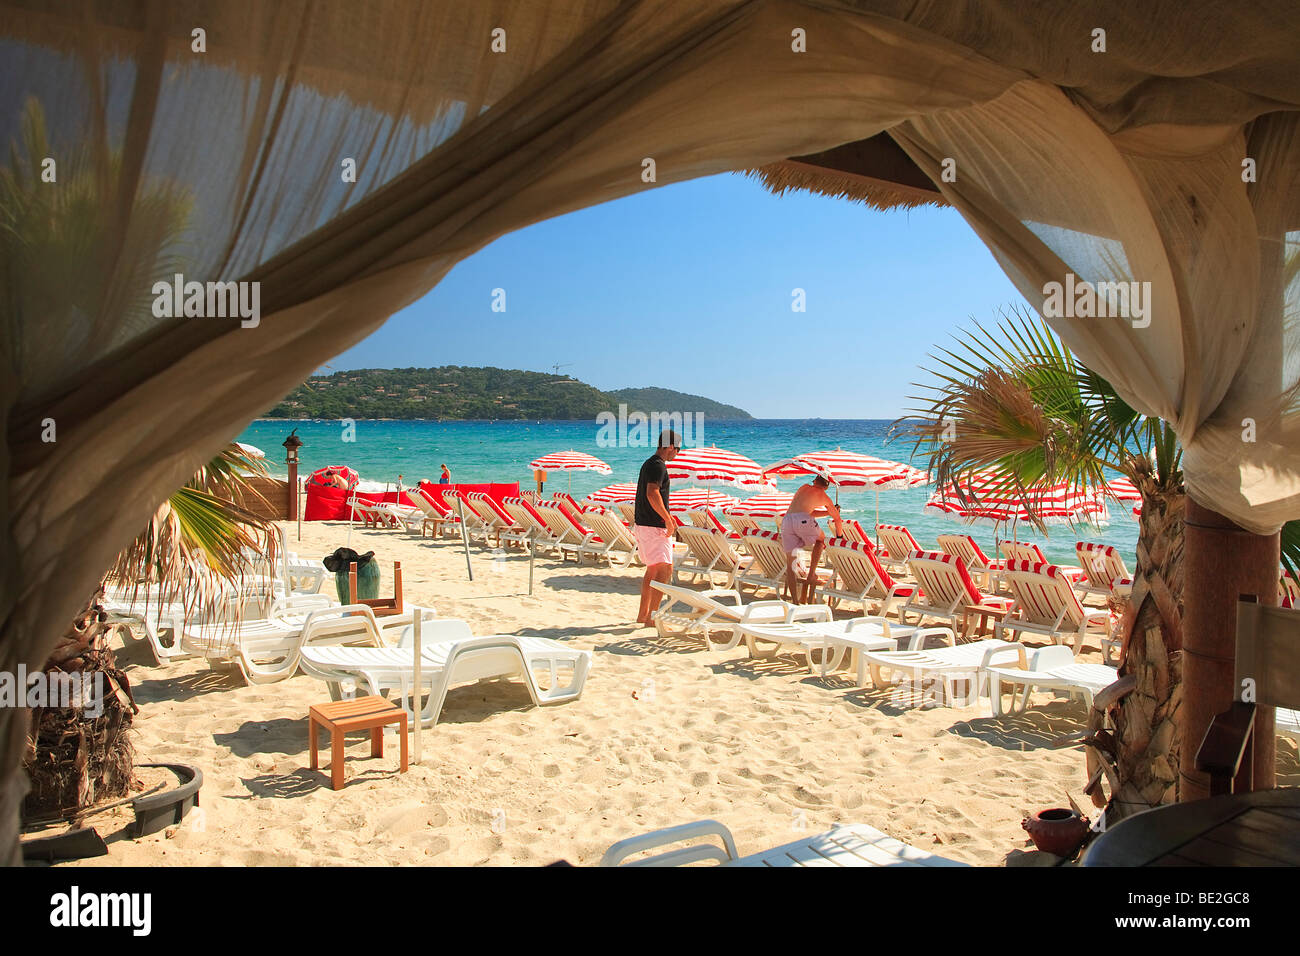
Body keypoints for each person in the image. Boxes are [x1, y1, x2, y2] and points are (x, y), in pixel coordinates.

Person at [634, 430, 682, 626]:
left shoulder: (649, 463)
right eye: (677, 450)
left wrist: (668, 516)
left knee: (653, 570)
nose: (676, 454)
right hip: (654, 527)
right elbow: (653, 493)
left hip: (644, 524)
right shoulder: (658, 465)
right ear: (670, 446)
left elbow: (652, 495)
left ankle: (643, 615)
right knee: (664, 569)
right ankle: (653, 618)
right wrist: (668, 520)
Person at [780, 475, 844, 603]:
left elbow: (806, 512)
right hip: (802, 520)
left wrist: (827, 513)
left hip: (787, 520)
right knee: (821, 540)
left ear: (815, 481)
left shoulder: (803, 487)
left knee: (791, 564)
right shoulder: (824, 496)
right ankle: (811, 576)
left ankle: (795, 602)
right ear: (826, 486)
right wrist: (840, 537)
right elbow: (837, 520)